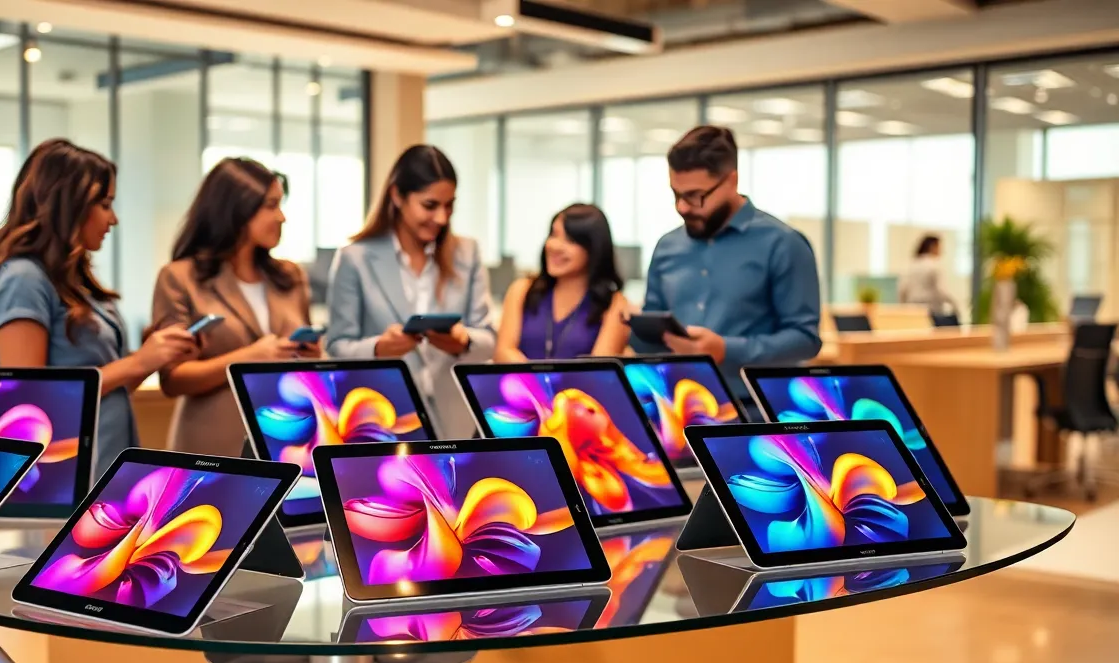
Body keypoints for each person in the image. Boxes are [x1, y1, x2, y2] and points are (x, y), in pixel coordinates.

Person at [0, 139, 198, 476]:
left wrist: (150, 357)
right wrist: (136, 362)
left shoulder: (75, 283)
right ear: (68, 205)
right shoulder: (23, 279)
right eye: (104, 203)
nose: (112, 219)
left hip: (108, 461)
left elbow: (110, 388)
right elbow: (29, 399)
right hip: (68, 473)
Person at [635, 126, 821, 400]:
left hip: (754, 413)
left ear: (731, 181)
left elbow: (805, 340)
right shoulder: (667, 246)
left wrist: (725, 349)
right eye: (676, 194)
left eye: (695, 196)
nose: (682, 207)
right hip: (679, 409)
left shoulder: (783, 243)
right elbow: (649, 340)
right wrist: (633, 327)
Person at [151, 157, 318, 457]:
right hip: (214, 446)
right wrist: (248, 358)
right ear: (235, 209)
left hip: (288, 444)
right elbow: (173, 379)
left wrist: (311, 357)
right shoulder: (179, 278)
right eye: (270, 205)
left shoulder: (290, 277)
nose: (281, 217)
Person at [326, 144, 495, 437]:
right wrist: (379, 348)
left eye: (449, 205)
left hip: (456, 420)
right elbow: (337, 346)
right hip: (384, 420)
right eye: (430, 205)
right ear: (397, 195)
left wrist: (463, 341)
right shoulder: (355, 258)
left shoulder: (467, 254)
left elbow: (489, 338)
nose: (442, 218)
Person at [495, 203, 630, 361]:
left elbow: (599, 372)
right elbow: (503, 352)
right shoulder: (522, 290)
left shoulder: (615, 305)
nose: (555, 246)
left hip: (581, 387)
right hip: (520, 385)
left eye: (570, 240)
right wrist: (537, 383)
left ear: (593, 248)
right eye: (554, 234)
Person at [898, 234, 958, 315]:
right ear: (932, 247)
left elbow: (903, 289)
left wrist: (903, 308)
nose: (941, 251)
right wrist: (954, 304)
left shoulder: (911, 265)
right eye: (939, 247)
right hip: (931, 311)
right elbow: (942, 290)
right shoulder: (935, 265)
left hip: (913, 311)